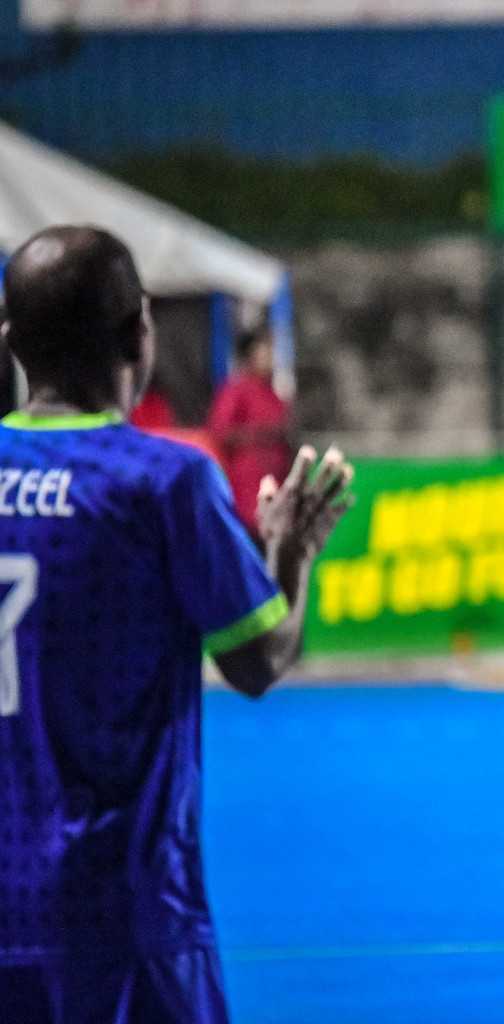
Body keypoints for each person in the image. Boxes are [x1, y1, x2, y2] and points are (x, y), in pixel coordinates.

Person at [0, 225, 353, 1023]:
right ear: (139, 333)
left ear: (11, 342)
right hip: (126, 917)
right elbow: (258, 661)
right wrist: (290, 552)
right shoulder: (160, 481)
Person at [208, 323, 292, 537]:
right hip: (247, 496)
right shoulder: (237, 389)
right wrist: (263, 434)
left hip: (275, 493)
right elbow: (220, 432)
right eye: (266, 350)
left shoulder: (273, 393)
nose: (271, 356)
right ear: (251, 353)